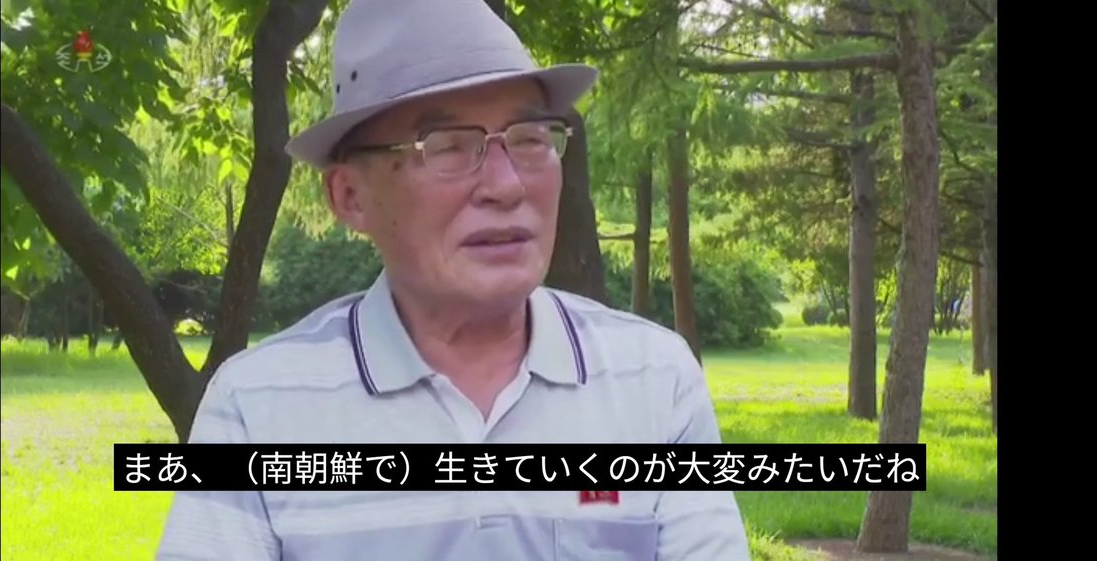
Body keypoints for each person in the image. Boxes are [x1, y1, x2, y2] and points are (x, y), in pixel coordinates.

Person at [155, 0, 751, 559]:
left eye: (530, 140)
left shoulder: (654, 379)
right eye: (446, 147)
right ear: (350, 196)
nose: (507, 185)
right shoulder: (258, 407)